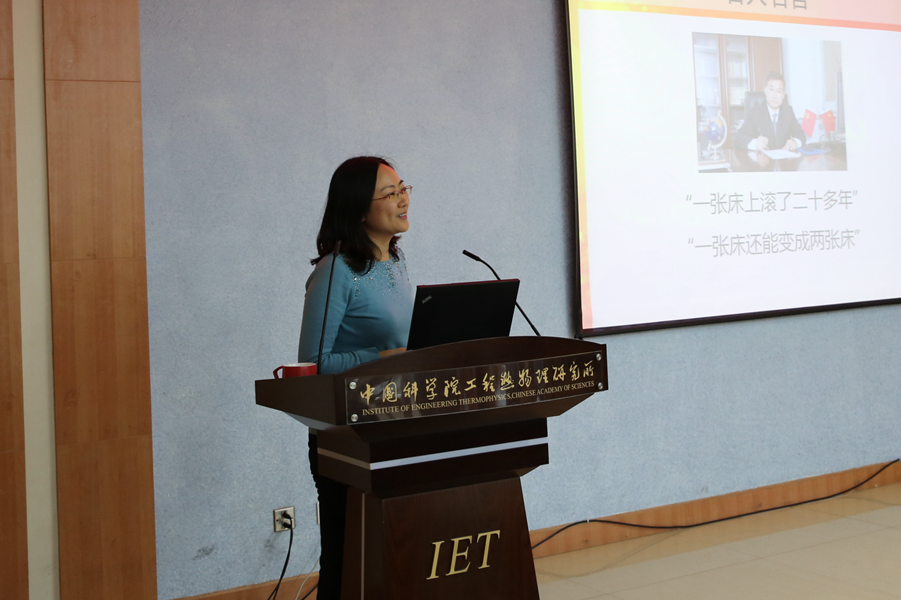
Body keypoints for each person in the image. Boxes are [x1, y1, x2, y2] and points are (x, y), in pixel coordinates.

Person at [297, 156, 414, 599]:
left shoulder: (395, 262)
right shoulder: (336, 270)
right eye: (390, 193)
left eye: (403, 188)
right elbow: (313, 363)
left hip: (397, 424)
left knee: (395, 556)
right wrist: (382, 357)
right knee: (348, 563)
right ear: (359, 209)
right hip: (347, 437)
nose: (403, 199)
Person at [734, 72, 806, 152]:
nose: (774, 96)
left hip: (784, 158)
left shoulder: (788, 111)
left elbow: (801, 135)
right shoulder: (755, 113)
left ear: (783, 95)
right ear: (765, 90)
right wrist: (755, 143)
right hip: (761, 158)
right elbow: (738, 138)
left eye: (778, 91)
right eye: (771, 89)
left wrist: (795, 142)